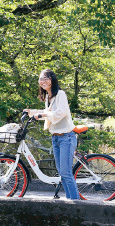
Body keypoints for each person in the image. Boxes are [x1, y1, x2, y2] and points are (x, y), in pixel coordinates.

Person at [25, 69, 80, 200]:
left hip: (66, 137)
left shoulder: (60, 94)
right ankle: (70, 200)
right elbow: (47, 113)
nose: (42, 81)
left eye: (45, 78)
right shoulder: (49, 98)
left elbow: (60, 113)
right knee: (62, 173)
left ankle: (76, 203)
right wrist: (30, 112)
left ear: (52, 80)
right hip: (56, 138)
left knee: (66, 173)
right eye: (40, 79)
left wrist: (42, 114)